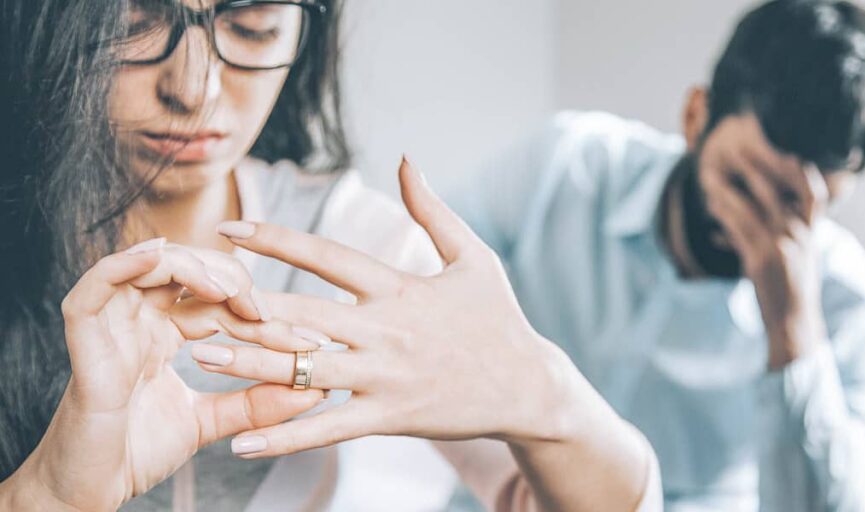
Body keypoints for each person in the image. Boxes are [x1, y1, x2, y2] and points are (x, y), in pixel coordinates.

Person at [0, 1, 660, 510]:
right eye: (135, 20)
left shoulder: (360, 245)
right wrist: (46, 497)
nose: (195, 88)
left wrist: (546, 395)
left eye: (252, 24)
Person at [450, 1, 865, 510]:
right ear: (696, 116)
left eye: (798, 208)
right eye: (742, 184)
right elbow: (420, 275)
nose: (760, 228)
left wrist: (792, 331)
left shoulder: (853, 306)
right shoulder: (565, 169)